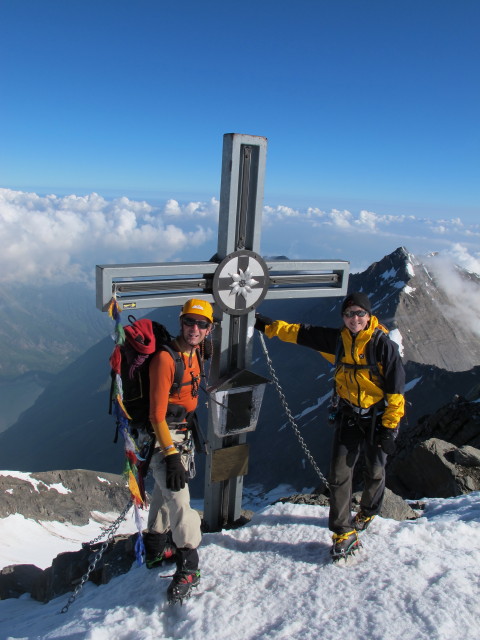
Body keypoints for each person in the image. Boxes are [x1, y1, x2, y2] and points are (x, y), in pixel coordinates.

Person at [255, 291, 405, 558]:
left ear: (369, 315)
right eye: (349, 314)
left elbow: (396, 392)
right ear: (343, 317)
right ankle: (343, 531)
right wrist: (266, 325)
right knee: (339, 475)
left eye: (360, 313)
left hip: (378, 418)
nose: (354, 318)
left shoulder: (384, 346)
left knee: (375, 471)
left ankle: (368, 512)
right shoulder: (337, 341)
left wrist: (389, 428)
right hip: (349, 415)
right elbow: (298, 332)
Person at [144, 298, 213, 602]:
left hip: (182, 432)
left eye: (202, 324)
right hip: (165, 439)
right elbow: (156, 415)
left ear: (209, 329)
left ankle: (156, 549)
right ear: (180, 322)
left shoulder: (196, 352)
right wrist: (170, 455)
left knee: (163, 493)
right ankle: (189, 564)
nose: (194, 329)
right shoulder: (165, 359)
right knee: (180, 499)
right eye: (189, 322)